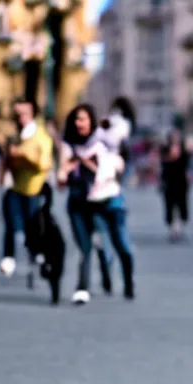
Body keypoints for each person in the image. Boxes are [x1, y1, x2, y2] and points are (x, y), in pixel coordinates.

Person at [59, 103, 135, 304]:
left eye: (82, 119)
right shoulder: (69, 143)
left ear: (91, 120)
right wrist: (65, 171)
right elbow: (63, 171)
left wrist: (93, 163)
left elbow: (118, 161)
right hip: (85, 201)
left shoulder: (104, 138)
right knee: (87, 246)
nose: (78, 123)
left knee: (120, 244)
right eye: (75, 119)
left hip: (110, 199)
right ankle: (82, 287)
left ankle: (128, 281)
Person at [0, 97, 53, 280]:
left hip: (33, 188)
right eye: (17, 114)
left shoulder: (40, 136)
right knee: (11, 223)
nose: (20, 118)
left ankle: (37, 254)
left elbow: (43, 164)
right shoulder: (13, 134)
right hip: (14, 186)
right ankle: (9, 257)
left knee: (33, 227)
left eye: (23, 114)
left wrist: (22, 155)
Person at [160, 129, 190, 242]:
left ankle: (179, 228)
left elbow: (186, 163)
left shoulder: (183, 150)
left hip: (181, 182)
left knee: (182, 205)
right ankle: (173, 229)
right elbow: (163, 163)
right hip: (169, 182)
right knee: (169, 205)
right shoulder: (165, 149)